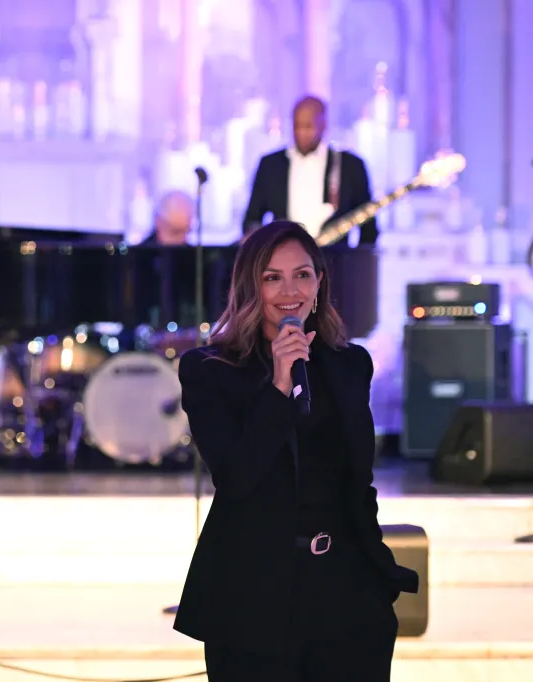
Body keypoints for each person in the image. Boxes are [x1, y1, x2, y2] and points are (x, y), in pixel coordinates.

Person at [172, 220, 418, 681]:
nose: (290, 290)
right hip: (253, 597)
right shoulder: (209, 371)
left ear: (320, 284)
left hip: (346, 596)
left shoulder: (349, 364)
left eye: (303, 275)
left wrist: (376, 576)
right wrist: (280, 386)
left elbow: (358, 482)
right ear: (250, 286)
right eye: (272, 277)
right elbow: (237, 478)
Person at [242, 96, 377, 245]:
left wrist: (357, 264)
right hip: (285, 260)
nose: (301, 133)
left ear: (323, 125)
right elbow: (252, 219)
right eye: (296, 126)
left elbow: (368, 229)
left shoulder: (349, 166)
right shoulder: (270, 165)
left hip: (336, 262)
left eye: (308, 126)